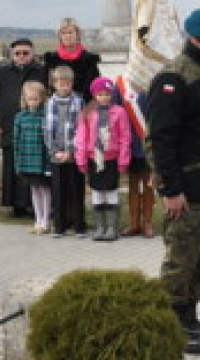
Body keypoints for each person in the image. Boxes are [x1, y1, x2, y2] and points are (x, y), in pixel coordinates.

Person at [147, 3, 200, 356]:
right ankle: (169, 326)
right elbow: (160, 139)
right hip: (186, 191)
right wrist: (170, 189)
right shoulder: (173, 78)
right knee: (180, 261)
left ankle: (189, 316)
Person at [0, 38, 46, 219]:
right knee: (12, 166)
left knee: (33, 167)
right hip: (9, 127)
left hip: (35, 128)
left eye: (25, 53)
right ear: (12, 55)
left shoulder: (41, 72)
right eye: (17, 53)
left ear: (32, 53)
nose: (21, 56)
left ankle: (34, 205)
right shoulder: (2, 72)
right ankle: (15, 205)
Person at [75, 76, 130, 241]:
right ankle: (100, 227)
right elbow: (81, 137)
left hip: (112, 159)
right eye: (100, 94)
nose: (103, 97)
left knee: (112, 191)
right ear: (94, 95)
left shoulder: (119, 112)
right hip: (94, 159)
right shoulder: (87, 112)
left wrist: (123, 159)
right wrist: (82, 159)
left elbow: (125, 137)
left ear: (111, 94)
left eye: (107, 94)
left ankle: (112, 228)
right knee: (97, 191)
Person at [44, 65, 87, 237]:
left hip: (74, 155)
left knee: (76, 191)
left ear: (72, 83)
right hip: (56, 156)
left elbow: (81, 129)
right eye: (61, 83)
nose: (64, 87)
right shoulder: (50, 103)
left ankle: (79, 226)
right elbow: (47, 129)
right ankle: (59, 227)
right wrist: (54, 152)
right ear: (54, 84)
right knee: (59, 192)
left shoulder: (78, 101)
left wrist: (71, 151)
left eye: (68, 83)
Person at [12, 80, 52, 234]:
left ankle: (46, 221)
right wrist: (17, 162)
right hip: (27, 160)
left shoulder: (46, 116)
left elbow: (49, 141)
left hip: (41, 160)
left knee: (44, 188)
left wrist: (49, 163)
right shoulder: (20, 117)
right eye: (29, 99)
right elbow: (16, 140)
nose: (32, 102)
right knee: (34, 189)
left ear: (42, 98)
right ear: (24, 99)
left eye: (35, 98)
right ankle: (38, 219)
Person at [116, 82, 154, 237]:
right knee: (132, 185)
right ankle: (134, 223)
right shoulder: (120, 85)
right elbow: (116, 111)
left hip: (148, 141)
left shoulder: (151, 81)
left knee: (148, 184)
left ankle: (147, 223)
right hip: (129, 143)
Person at [41, 18, 102, 104]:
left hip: (84, 107)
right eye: (64, 33)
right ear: (60, 36)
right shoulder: (52, 60)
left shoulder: (88, 60)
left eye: (70, 32)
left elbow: (96, 87)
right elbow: (45, 85)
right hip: (56, 107)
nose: (67, 36)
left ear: (77, 35)